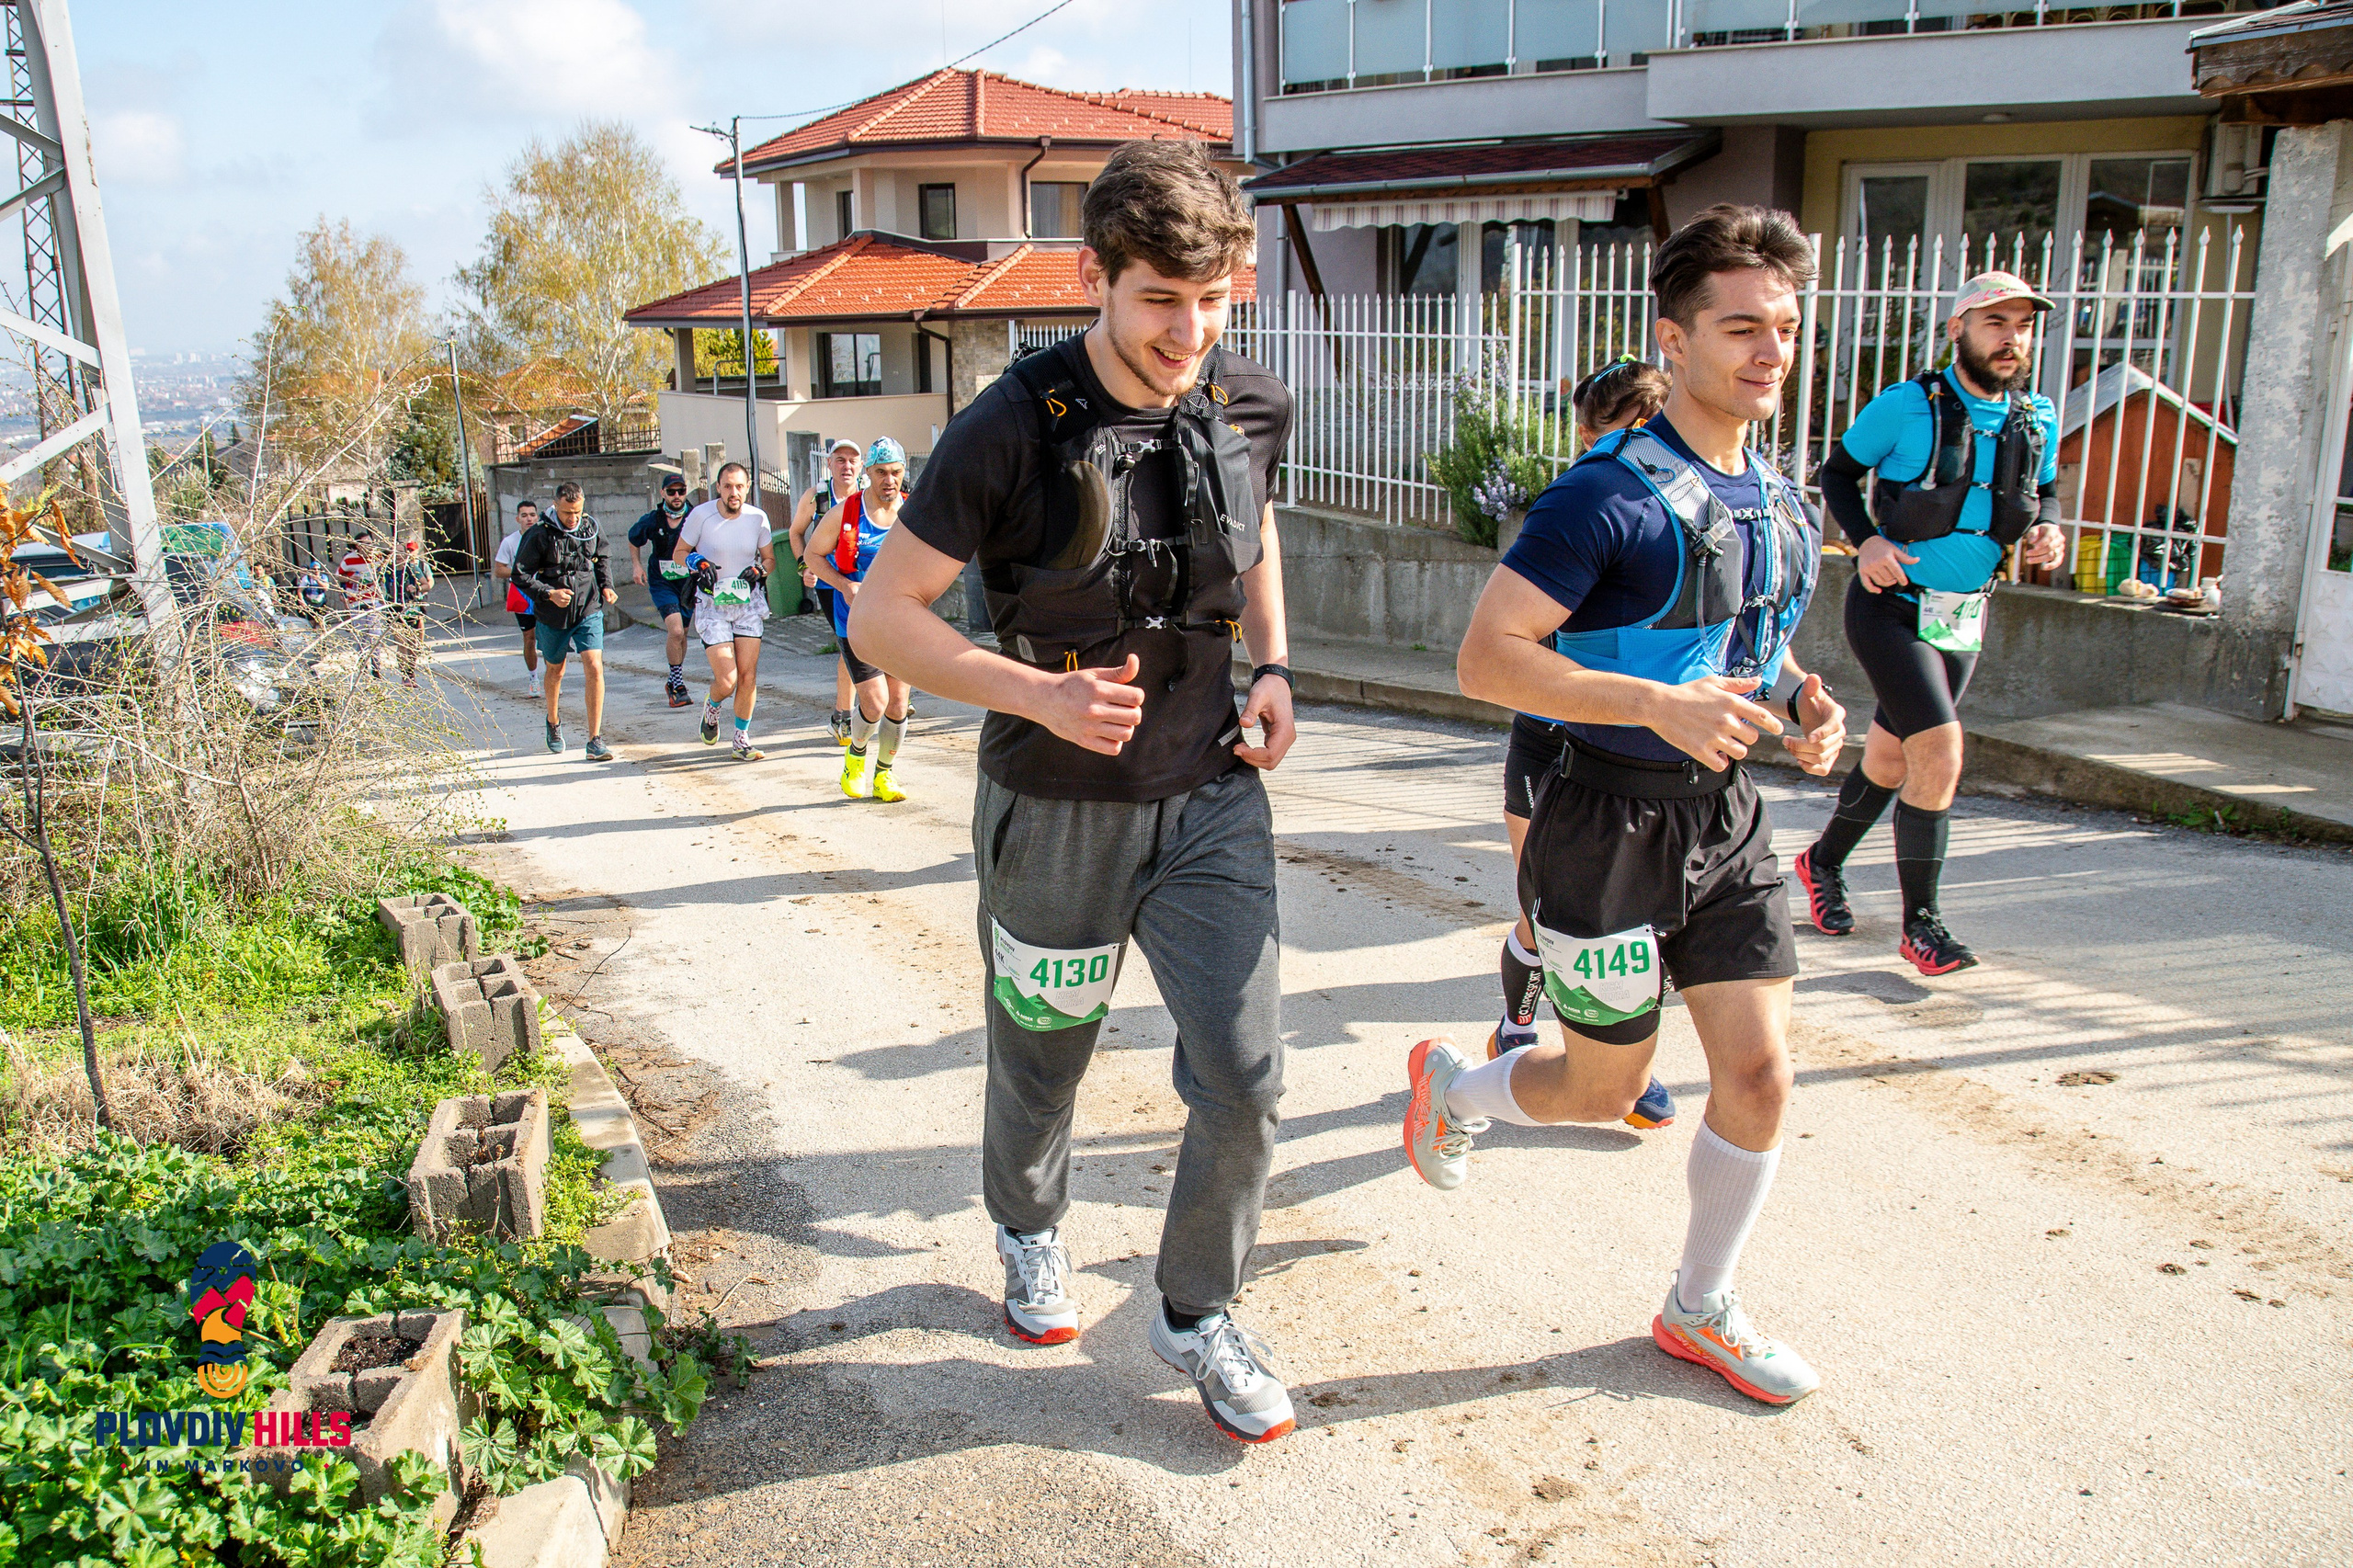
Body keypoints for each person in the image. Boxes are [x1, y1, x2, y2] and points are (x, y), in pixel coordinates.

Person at [849, 141, 1301, 1444]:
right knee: (1043, 1065)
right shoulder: (1007, 430)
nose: (1190, 331)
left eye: (1214, 300)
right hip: (1054, 807)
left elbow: (1258, 525)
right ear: (1097, 278)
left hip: (1213, 793)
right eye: (1162, 299)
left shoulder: (1247, 403)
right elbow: (884, 620)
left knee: (1247, 1072)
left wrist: (1272, 664)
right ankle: (1029, 1225)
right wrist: (1036, 692)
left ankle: (1197, 1308)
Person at [1413, 205, 1848, 1408]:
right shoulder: (1599, 497)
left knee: (1759, 1079)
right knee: (1600, 1087)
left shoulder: (1774, 494)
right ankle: (1456, 1086)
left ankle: (1697, 1304)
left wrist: (1808, 699)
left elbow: (1755, 641)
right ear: (1677, 335)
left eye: (1787, 330)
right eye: (1742, 327)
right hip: (1598, 818)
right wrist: (1651, 704)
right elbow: (1485, 658)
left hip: (1725, 818)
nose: (1770, 352)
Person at [1794, 272, 2068, 976]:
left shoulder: (2034, 415)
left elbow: (2046, 490)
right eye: (1995, 323)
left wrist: (2050, 532)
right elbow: (1836, 474)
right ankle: (1923, 927)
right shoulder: (1906, 406)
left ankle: (1820, 862)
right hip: (1891, 608)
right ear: (1958, 330)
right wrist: (1868, 541)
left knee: (1889, 760)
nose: (2012, 338)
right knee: (1940, 752)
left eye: (2023, 325)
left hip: (1964, 617)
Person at [1486, 354, 1678, 1130]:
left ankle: (1619, 1069)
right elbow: (1505, 643)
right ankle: (1520, 1033)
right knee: (1547, 915)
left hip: (1643, 760)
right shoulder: (1586, 505)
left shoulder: (1682, 511)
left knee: (1631, 924)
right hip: (1553, 746)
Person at [808, 438, 916, 802]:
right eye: (882, 472)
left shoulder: (912, 510)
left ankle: (884, 776)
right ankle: (855, 757)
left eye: (896, 473)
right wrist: (843, 584)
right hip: (855, 622)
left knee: (899, 704)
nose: (890, 480)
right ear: (868, 473)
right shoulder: (845, 513)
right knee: (875, 703)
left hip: (898, 619)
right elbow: (812, 555)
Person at [673, 460, 773, 763]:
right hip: (711, 604)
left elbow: (769, 559)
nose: (734, 492)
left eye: (739, 486)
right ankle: (712, 707)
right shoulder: (701, 515)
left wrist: (760, 569)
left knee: (747, 676)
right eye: (728, 486)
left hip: (746, 603)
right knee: (727, 680)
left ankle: (741, 739)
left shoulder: (758, 518)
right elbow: (679, 553)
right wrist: (697, 563)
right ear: (718, 487)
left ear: (747, 488)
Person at [512, 480, 617, 761]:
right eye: (568, 512)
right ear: (556, 505)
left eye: (578, 512)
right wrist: (548, 593)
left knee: (594, 666)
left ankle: (595, 739)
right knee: (555, 669)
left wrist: (607, 585)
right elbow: (519, 575)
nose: (573, 519)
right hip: (552, 613)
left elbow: (602, 557)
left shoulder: (590, 527)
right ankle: (553, 721)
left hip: (587, 608)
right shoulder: (539, 534)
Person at [790, 437, 863, 744]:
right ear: (829, 464)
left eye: (852, 460)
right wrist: (803, 567)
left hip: (863, 581)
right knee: (853, 644)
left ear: (861, 466)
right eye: (840, 460)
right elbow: (795, 533)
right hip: (829, 582)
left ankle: (861, 707)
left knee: (865, 641)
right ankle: (844, 716)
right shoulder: (817, 497)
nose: (846, 466)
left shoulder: (868, 496)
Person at [629, 474, 697, 708]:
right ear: (663, 493)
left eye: (681, 491)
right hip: (662, 582)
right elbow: (633, 538)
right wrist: (636, 565)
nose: (677, 496)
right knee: (675, 631)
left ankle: (673, 680)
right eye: (671, 492)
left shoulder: (694, 516)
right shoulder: (653, 520)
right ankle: (678, 685)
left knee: (684, 633)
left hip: (687, 583)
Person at [493, 505, 541, 696]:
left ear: (537, 517)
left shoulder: (544, 537)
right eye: (524, 515)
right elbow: (499, 570)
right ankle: (534, 678)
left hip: (546, 593)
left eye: (532, 515)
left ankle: (553, 678)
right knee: (530, 638)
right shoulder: (510, 542)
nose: (528, 519)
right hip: (522, 594)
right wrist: (519, 573)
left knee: (548, 637)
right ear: (517, 519)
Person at [335, 526, 385, 680]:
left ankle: (377, 669)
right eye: (366, 543)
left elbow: (383, 573)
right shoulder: (349, 559)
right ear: (358, 545)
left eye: (371, 543)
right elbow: (337, 576)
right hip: (356, 602)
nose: (370, 546)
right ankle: (363, 668)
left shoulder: (378, 557)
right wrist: (351, 579)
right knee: (361, 638)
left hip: (373, 601)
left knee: (375, 636)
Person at [384, 536, 435, 687]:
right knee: (402, 644)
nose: (399, 555)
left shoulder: (413, 568)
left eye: (401, 552)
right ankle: (405, 676)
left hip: (413, 610)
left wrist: (417, 588)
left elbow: (427, 585)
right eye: (396, 552)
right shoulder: (386, 570)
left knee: (415, 645)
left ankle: (411, 672)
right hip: (395, 611)